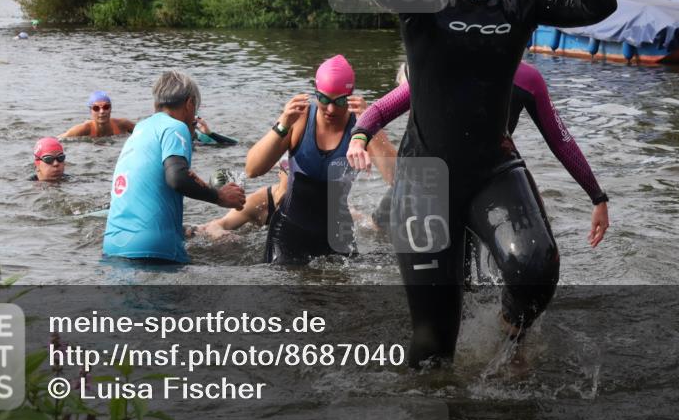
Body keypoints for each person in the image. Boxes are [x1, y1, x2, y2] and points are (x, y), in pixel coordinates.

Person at [367, 0, 617, 366]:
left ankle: (506, 344)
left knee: (535, 268)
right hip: (426, 179)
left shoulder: (523, 4)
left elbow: (599, 5)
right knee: (433, 343)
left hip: (492, 169)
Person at [348, 60, 610, 246]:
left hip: (484, 179)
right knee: (378, 225)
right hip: (438, 179)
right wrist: (362, 135)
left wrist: (597, 197)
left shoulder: (525, 79)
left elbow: (561, 141)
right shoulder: (434, 69)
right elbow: (382, 112)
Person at [243, 55, 376, 265]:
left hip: (338, 235)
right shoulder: (300, 117)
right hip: (290, 229)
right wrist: (283, 123)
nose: (331, 109)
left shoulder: (361, 124)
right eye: (323, 100)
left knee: (345, 297)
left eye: (340, 101)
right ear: (315, 93)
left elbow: (398, 177)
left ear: (351, 96)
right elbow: (252, 169)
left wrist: (371, 127)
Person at [103, 71, 245, 263]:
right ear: (189, 104)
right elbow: (177, 177)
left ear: (157, 104)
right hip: (153, 250)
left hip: (113, 247)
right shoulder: (175, 127)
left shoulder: (140, 129)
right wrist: (220, 196)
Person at [59, 91, 136, 138]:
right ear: (90, 110)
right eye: (96, 108)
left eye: (106, 107)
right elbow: (58, 139)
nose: (102, 111)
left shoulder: (123, 124)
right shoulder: (82, 130)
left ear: (111, 108)